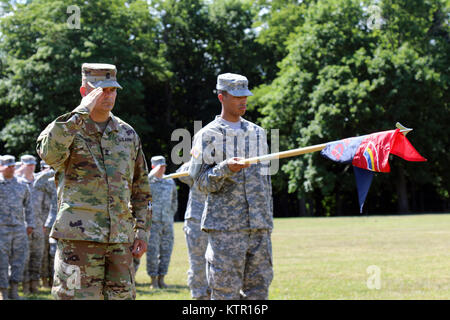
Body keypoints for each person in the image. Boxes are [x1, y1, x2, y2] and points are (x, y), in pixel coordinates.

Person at [36, 63, 152, 300]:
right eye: (100, 90)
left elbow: (141, 188)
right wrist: (80, 112)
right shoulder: (68, 129)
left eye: (112, 90)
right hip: (79, 241)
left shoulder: (127, 134)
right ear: (83, 91)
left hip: (119, 241)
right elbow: (49, 153)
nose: (107, 95)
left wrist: (142, 231)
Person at [189, 73, 274, 300]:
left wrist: (267, 223)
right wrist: (225, 169)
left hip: (259, 229)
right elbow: (199, 183)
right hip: (226, 231)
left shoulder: (259, 133)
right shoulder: (207, 135)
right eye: (237, 96)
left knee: (258, 293)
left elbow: (266, 183)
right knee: (225, 294)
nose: (243, 100)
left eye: (245, 95)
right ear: (222, 97)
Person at [0, 155, 35, 300]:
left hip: (19, 229)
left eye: (13, 166)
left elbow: (29, 207)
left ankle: (14, 291)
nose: (11, 169)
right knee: (1, 261)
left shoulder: (22, 185)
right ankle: (4, 292)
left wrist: (30, 224)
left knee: (19, 261)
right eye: (8, 166)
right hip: (1, 229)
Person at [176, 161, 210, 300]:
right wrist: (198, 160)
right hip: (196, 220)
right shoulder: (198, 165)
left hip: (219, 221)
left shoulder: (225, 164)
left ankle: (213, 293)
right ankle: (199, 296)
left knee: (219, 262)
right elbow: (181, 174)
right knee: (198, 263)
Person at [145, 156, 177, 289]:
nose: (162, 168)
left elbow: (174, 200)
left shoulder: (169, 181)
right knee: (152, 252)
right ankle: (153, 280)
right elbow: (142, 199)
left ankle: (162, 279)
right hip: (153, 223)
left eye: (164, 166)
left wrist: (170, 214)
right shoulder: (148, 182)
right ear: (153, 167)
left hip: (167, 222)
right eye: (159, 166)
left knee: (166, 251)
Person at [15, 154, 44, 295]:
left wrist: (45, 222)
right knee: (25, 257)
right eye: (28, 164)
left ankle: (35, 286)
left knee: (37, 256)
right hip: (23, 225)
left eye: (33, 164)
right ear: (22, 165)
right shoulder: (18, 183)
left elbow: (46, 203)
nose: (32, 166)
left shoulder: (40, 182)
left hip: (39, 224)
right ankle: (25, 286)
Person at [32, 161, 58, 289]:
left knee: (54, 253)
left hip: (54, 221)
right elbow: (35, 183)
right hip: (42, 221)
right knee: (43, 253)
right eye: (43, 167)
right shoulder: (39, 180)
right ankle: (43, 279)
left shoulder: (56, 180)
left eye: (49, 167)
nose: (46, 170)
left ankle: (54, 280)